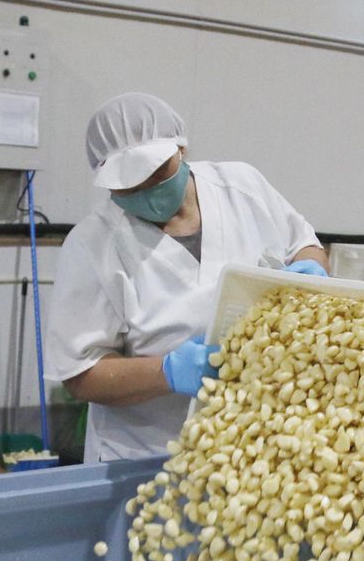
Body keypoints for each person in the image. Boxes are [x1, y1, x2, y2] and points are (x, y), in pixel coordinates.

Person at [49, 92, 329, 462]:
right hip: (148, 456)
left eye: (157, 173)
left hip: (260, 444)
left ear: (182, 148)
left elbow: (304, 244)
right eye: (129, 186)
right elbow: (80, 374)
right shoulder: (92, 246)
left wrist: (312, 271)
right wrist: (167, 372)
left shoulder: (241, 187)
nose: (147, 191)